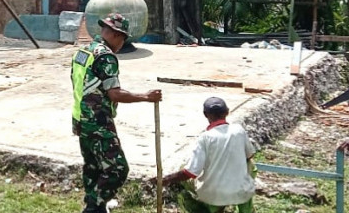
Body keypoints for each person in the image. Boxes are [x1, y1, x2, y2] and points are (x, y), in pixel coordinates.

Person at [71, 13, 163, 213]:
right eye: (123, 38)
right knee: (117, 169)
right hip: (97, 122)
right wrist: (146, 97)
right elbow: (114, 94)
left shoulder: (83, 51)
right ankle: (93, 207)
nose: (122, 43)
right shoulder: (106, 57)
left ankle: (96, 205)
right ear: (115, 34)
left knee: (93, 166)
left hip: (80, 119)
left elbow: (78, 83)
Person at [161, 97, 256, 213]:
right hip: (242, 191)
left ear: (206, 114)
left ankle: (215, 209)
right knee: (251, 165)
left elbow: (190, 172)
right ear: (227, 112)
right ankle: (246, 210)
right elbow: (249, 156)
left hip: (214, 194)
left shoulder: (205, 138)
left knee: (192, 174)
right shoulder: (239, 130)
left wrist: (166, 179)